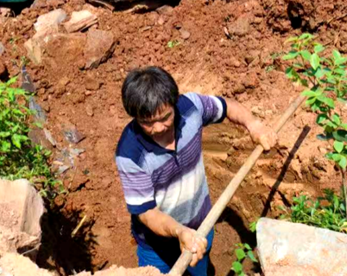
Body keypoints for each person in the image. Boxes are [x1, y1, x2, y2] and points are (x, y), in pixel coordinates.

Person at [115, 66, 277, 276]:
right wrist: (180, 231)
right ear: (135, 116)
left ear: (175, 103)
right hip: (156, 246)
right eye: (147, 123)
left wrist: (254, 124)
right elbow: (147, 213)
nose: (158, 128)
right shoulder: (130, 153)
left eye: (165, 117)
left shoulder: (191, 108)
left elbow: (226, 106)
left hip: (201, 227)